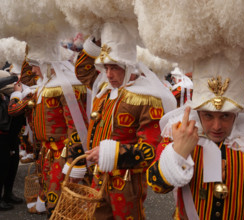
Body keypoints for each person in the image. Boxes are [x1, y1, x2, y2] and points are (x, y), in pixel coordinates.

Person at [147, 58, 244, 219]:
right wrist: (178, 154)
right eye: (208, 115)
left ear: (237, 113)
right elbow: (157, 186)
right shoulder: (179, 131)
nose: (216, 126)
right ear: (197, 111)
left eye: (225, 116)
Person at [75, 21, 176, 219]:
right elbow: (82, 71)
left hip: (126, 181)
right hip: (98, 175)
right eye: (105, 67)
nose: (109, 74)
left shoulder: (147, 98)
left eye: (115, 67)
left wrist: (111, 154)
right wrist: (97, 40)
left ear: (129, 66)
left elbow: (149, 151)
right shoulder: (105, 88)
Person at [8, 46, 89, 217]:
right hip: (47, 151)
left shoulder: (65, 86)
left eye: (36, 64)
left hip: (62, 152)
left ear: (47, 64)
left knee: (61, 198)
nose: (33, 69)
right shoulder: (45, 86)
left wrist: (74, 161)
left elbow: (76, 127)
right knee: (49, 190)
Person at [0, 69, 24, 211]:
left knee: (13, 166)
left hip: (12, 137)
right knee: (1, 169)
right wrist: (14, 77)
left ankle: (8, 194)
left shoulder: (13, 96)